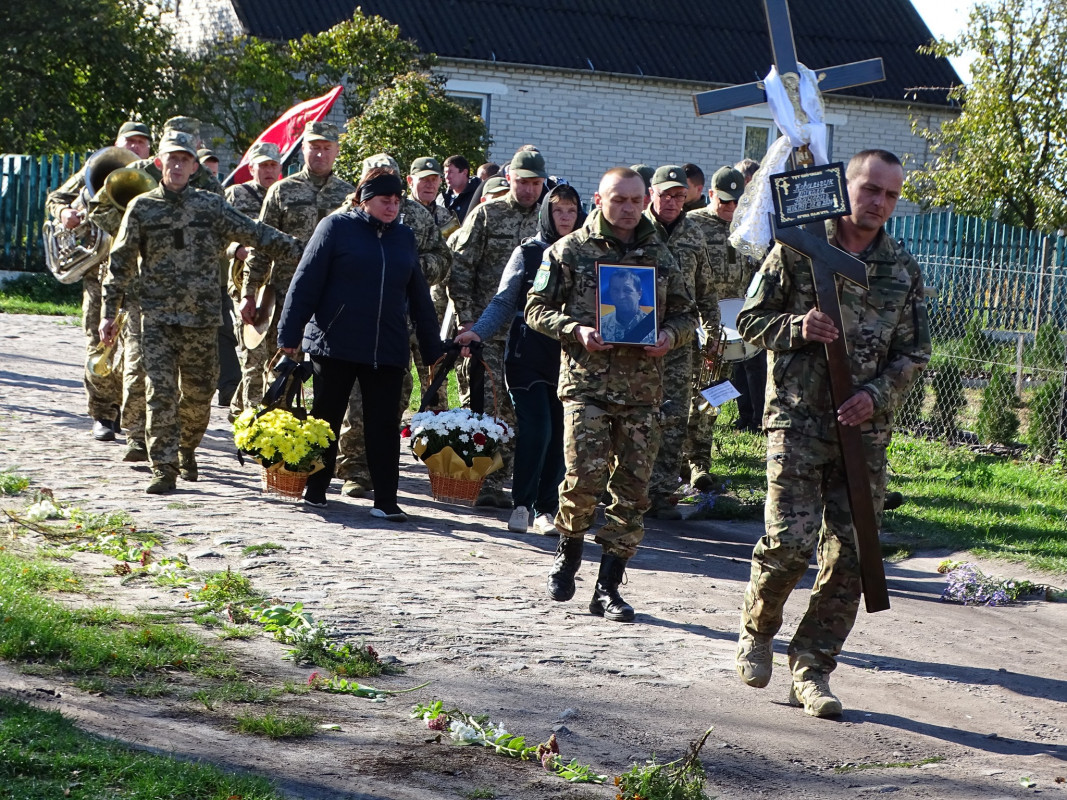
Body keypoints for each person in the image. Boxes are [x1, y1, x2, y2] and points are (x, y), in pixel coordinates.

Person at [733, 149, 931, 717]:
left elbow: (915, 351)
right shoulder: (799, 248)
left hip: (862, 431)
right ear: (846, 187)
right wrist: (797, 326)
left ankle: (812, 668)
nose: (879, 203)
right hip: (797, 420)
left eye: (891, 195)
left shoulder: (901, 267)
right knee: (790, 544)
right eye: (870, 189)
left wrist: (877, 394)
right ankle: (758, 629)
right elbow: (749, 321)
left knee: (852, 556)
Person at [526, 167, 697, 622]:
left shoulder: (661, 256)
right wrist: (575, 329)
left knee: (633, 492)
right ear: (599, 201)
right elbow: (534, 309)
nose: (627, 208)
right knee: (584, 478)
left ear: (646, 202)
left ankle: (608, 586)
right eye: (618, 199)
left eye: (635, 200)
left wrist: (669, 337)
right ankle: (568, 551)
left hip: (643, 390)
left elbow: (686, 313)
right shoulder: (569, 251)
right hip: (587, 385)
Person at [99, 130, 300, 494]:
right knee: (160, 391)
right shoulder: (142, 207)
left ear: (193, 166)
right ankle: (164, 466)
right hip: (156, 318)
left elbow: (254, 232)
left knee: (197, 394)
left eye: (184, 160)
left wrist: (306, 249)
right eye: (171, 159)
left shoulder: (210, 206)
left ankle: (187, 447)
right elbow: (121, 262)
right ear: (160, 163)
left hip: (202, 319)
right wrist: (108, 313)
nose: (177, 165)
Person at [276, 168, 443, 517]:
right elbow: (305, 283)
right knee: (326, 420)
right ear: (364, 200)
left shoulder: (404, 238)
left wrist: (432, 349)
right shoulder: (335, 228)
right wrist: (289, 338)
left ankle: (386, 500)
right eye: (385, 200)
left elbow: (419, 297)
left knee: (383, 425)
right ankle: (316, 488)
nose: (393, 207)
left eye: (397, 201)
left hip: (386, 346)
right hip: (334, 343)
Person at [86, 116, 224, 464]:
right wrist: (135, 230)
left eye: (188, 145)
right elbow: (99, 207)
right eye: (174, 145)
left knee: (189, 379)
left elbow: (220, 228)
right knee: (137, 366)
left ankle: (177, 441)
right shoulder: (138, 168)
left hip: (190, 293)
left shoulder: (207, 183)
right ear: (163, 147)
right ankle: (136, 435)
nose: (180, 155)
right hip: (139, 288)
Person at [454, 185, 586, 535]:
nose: (565, 218)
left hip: (570, 360)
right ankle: (522, 504)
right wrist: (477, 332)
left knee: (561, 433)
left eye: (571, 211)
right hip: (526, 356)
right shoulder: (528, 253)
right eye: (558, 210)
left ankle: (547, 508)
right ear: (547, 213)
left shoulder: (587, 254)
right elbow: (503, 301)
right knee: (537, 429)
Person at [331, 153, 451, 499]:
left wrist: (412, 268)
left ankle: (401, 466)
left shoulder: (414, 215)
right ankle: (355, 468)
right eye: (375, 177)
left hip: (406, 319)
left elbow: (443, 258)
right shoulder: (344, 217)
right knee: (356, 401)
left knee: (398, 396)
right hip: (356, 322)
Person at [448, 149, 546, 508]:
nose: (529, 190)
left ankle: (525, 482)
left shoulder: (548, 219)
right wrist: (467, 319)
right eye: (523, 183)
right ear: (511, 179)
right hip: (487, 331)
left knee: (526, 410)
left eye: (536, 184)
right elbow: (461, 269)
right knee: (490, 407)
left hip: (531, 335)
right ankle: (488, 481)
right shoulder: (487, 214)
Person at [46, 120, 151, 442]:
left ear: (149, 148)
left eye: (141, 143)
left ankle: (129, 413)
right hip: (99, 273)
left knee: (137, 350)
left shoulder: (155, 177)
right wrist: (64, 213)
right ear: (118, 143)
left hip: (138, 278)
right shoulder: (98, 167)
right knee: (99, 342)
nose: (134, 148)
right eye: (129, 141)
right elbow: (56, 198)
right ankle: (103, 414)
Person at [239, 121, 354, 410]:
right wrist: (248, 292)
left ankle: (322, 442)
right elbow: (261, 245)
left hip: (334, 301)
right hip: (286, 296)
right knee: (281, 370)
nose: (320, 154)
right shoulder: (281, 191)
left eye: (327, 148)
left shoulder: (350, 195)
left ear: (337, 151)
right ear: (303, 149)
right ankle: (276, 442)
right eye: (314, 147)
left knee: (330, 374)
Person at [643, 165, 720, 520]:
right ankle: (626, 487)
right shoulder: (636, 229)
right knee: (635, 414)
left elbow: (706, 289)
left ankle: (660, 491)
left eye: (679, 195)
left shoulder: (693, 233)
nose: (672, 201)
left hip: (680, 339)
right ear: (652, 194)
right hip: (635, 338)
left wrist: (714, 334)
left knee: (674, 415)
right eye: (666, 195)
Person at [685, 165, 759, 486]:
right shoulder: (692, 225)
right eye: (724, 201)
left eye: (735, 202)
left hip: (731, 329)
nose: (729, 208)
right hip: (696, 324)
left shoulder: (747, 227)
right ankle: (676, 458)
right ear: (711, 194)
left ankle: (699, 460)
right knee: (687, 392)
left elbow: (757, 272)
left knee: (713, 396)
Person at [224, 141, 283, 419]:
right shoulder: (236, 195)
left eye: (273, 165)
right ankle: (251, 416)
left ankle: (240, 407)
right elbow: (217, 234)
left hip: (277, 287)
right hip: (246, 286)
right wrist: (237, 250)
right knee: (253, 353)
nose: (269, 170)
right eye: (263, 165)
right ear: (251, 168)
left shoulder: (285, 195)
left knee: (274, 355)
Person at [598, 269, 656, 345]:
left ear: (639, 294)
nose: (621, 296)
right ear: (610, 293)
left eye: (627, 290)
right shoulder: (601, 325)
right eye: (616, 290)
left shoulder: (653, 327)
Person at [439, 155, 481, 224]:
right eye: (445, 172)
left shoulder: (477, 197)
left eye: (451, 172)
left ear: (464, 172)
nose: (446, 177)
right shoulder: (442, 198)